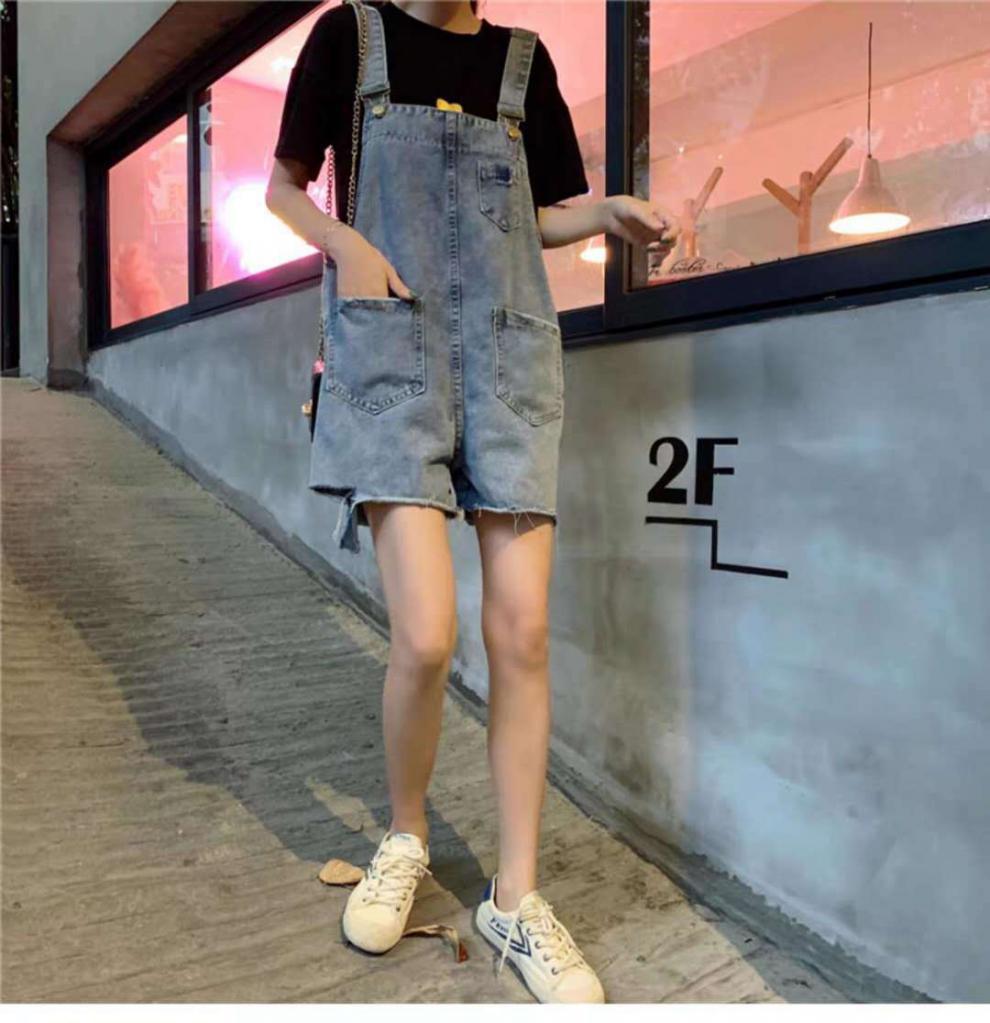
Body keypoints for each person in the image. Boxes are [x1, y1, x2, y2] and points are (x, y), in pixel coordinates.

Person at [266, 0, 678, 1004]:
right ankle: (405, 834)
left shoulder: (522, 65)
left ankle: (515, 896)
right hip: (391, 352)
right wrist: (346, 246)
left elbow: (537, 216)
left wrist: (607, 214)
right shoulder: (349, 38)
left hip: (508, 363)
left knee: (523, 632)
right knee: (425, 637)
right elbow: (282, 189)